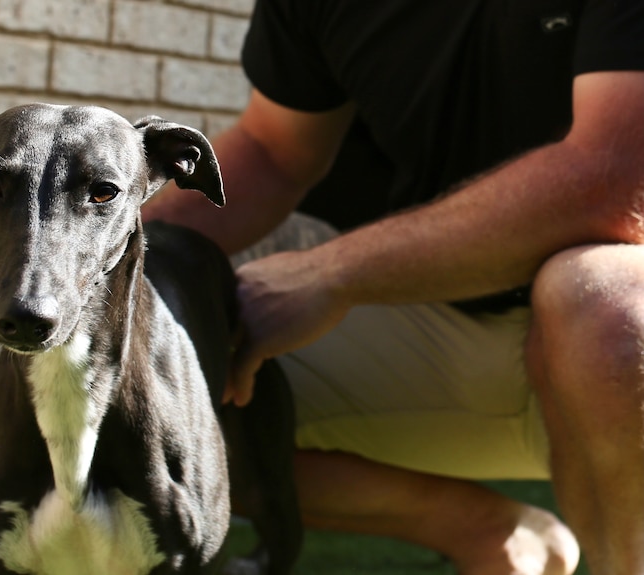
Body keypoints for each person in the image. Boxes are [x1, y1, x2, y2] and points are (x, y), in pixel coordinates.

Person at [142, 1, 644, 573]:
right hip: (436, 320)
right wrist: (110, 269)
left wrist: (332, 274)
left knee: (607, 304)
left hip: (618, 352)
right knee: (152, 378)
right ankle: (483, 529)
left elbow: (614, 176)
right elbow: (274, 151)